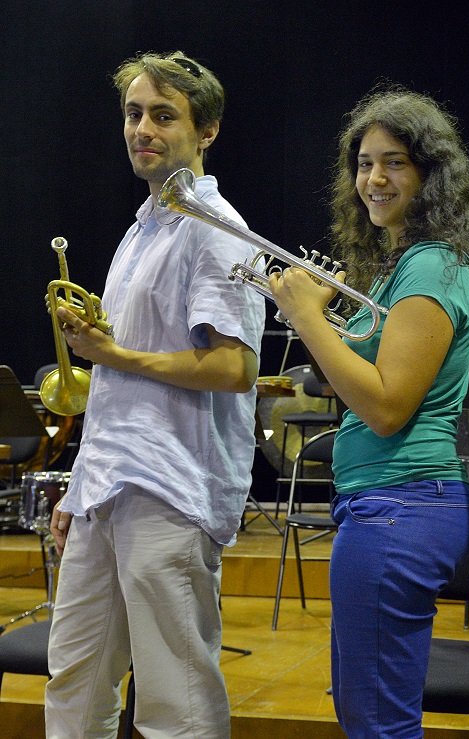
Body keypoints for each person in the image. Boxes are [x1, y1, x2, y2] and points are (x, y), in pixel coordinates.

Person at [44, 51, 265, 737]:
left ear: (208, 131)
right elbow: (113, 388)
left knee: (177, 699)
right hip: (109, 484)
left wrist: (112, 352)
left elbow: (234, 367)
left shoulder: (215, 227)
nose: (143, 128)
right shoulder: (141, 228)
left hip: (171, 487)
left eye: (163, 116)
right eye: (134, 113)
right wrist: (81, 484)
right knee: (74, 682)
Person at [267, 87, 469, 738]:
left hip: (401, 507)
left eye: (395, 162)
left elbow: (388, 407)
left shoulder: (428, 268)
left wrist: (308, 317)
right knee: (370, 713)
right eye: (364, 162)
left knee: (377, 722)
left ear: (430, 174)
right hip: (389, 504)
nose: (374, 178)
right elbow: (365, 385)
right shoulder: (402, 268)